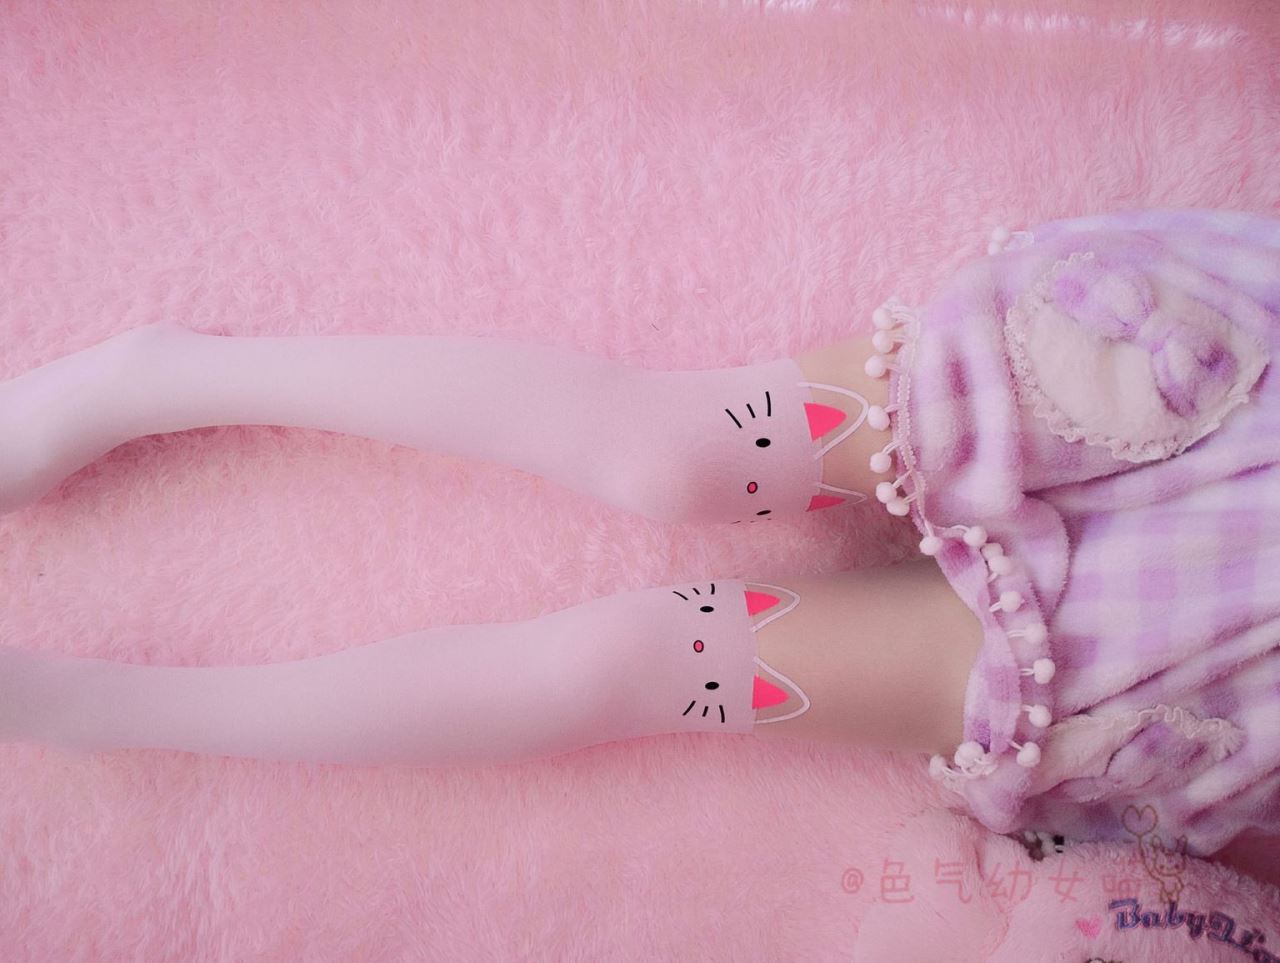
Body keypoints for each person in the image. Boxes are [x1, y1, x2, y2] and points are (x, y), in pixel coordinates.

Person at [1, 207, 1276, 862]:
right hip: (1213, 400)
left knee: (634, 662)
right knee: (670, 454)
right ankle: (152, 378)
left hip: (1203, 662)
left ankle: (92, 707)